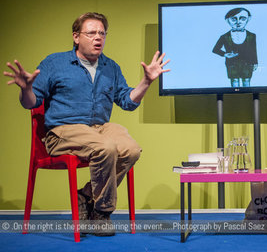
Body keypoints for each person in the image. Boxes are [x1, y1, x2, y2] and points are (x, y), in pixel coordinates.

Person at [3, 12, 170, 236]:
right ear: (76, 37)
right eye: (91, 33)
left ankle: (86, 196)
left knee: (130, 150)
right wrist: (25, 89)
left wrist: (146, 82)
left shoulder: (110, 67)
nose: (98, 37)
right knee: (105, 147)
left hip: (99, 128)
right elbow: (30, 103)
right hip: (63, 130)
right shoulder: (55, 63)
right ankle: (101, 213)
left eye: (102, 33)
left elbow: (127, 102)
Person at [212, 7, 258, 87]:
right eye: (234, 19)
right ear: (227, 20)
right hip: (231, 64)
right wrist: (225, 54)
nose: (238, 22)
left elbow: (253, 50)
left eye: (242, 19)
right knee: (234, 81)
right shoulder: (224, 36)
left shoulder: (252, 35)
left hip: (247, 63)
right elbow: (215, 49)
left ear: (248, 19)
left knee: (246, 81)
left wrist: (255, 62)